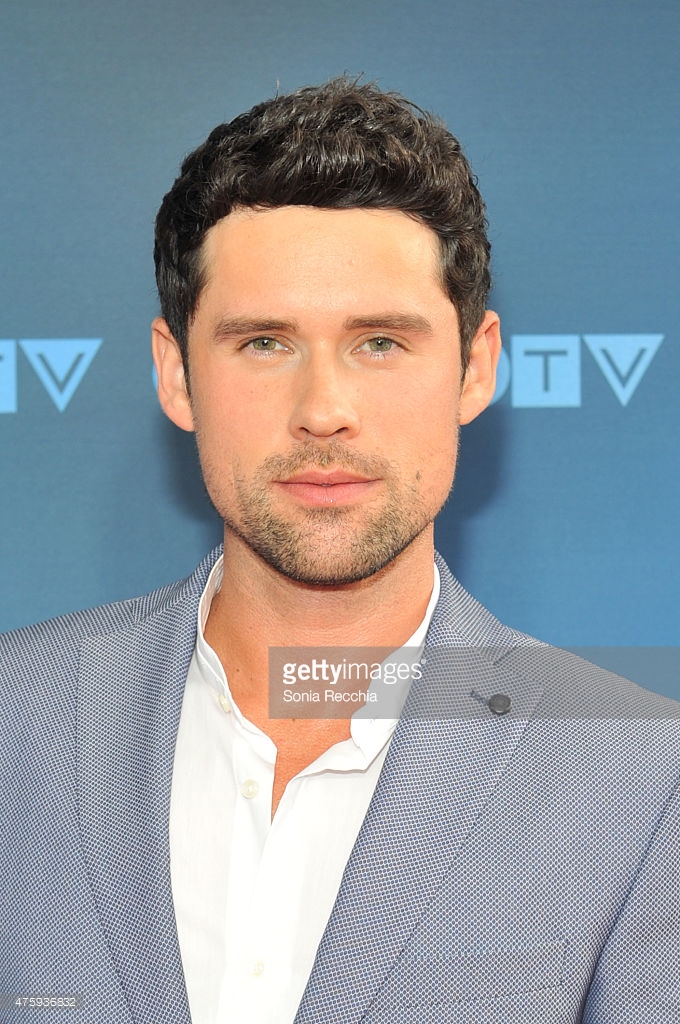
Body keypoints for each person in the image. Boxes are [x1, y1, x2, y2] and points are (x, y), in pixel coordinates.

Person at [1, 78, 679, 1024]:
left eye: (380, 344)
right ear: (176, 372)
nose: (323, 410)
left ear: (475, 368)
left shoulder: (639, 777)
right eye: (266, 342)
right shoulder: (15, 725)